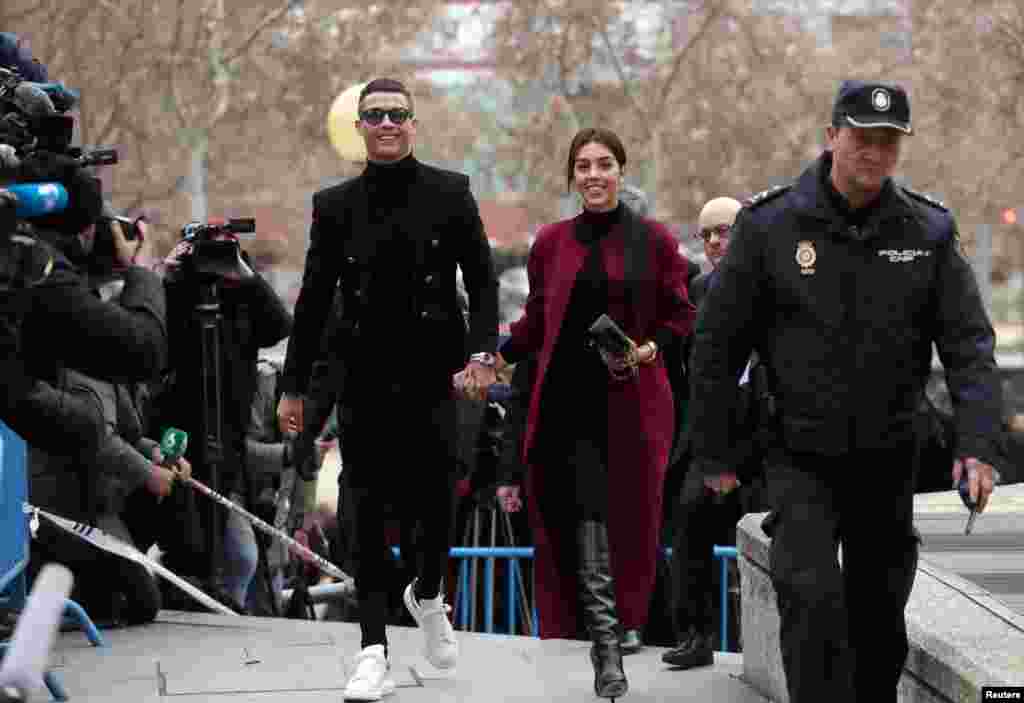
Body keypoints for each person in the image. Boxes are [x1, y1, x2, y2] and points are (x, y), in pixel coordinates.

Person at [687, 81, 1003, 703]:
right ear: (832, 136)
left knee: (878, 614)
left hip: (889, 455)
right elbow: (717, 347)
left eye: (889, 141)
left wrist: (978, 445)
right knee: (808, 597)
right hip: (800, 454)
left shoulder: (927, 230)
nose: (875, 153)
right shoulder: (770, 226)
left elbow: (968, 345)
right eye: (863, 138)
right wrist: (714, 451)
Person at [276, 78, 499, 700]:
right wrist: (293, 387)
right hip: (365, 378)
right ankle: (372, 650)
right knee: (366, 513)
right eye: (374, 115)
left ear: (413, 124)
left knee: (438, 502)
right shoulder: (334, 205)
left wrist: (483, 354)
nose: (387, 124)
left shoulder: (451, 191)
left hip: (437, 375)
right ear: (360, 128)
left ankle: (427, 592)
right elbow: (312, 302)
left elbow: (483, 282)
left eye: (397, 114)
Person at [495, 126, 695, 700]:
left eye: (604, 163)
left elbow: (681, 317)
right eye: (583, 166)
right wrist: (491, 356)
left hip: (633, 407)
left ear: (621, 171)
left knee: (625, 525)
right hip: (566, 409)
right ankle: (608, 652)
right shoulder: (551, 243)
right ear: (572, 177)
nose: (593, 175)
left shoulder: (655, 241)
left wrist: (646, 350)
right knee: (585, 519)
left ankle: (615, 637)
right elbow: (535, 323)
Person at [663, 196, 770, 667]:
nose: (712, 242)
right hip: (708, 440)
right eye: (705, 234)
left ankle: (771, 646)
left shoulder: (774, 285)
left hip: (764, 440)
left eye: (722, 231)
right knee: (689, 529)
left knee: (770, 541)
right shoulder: (699, 290)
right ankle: (695, 635)